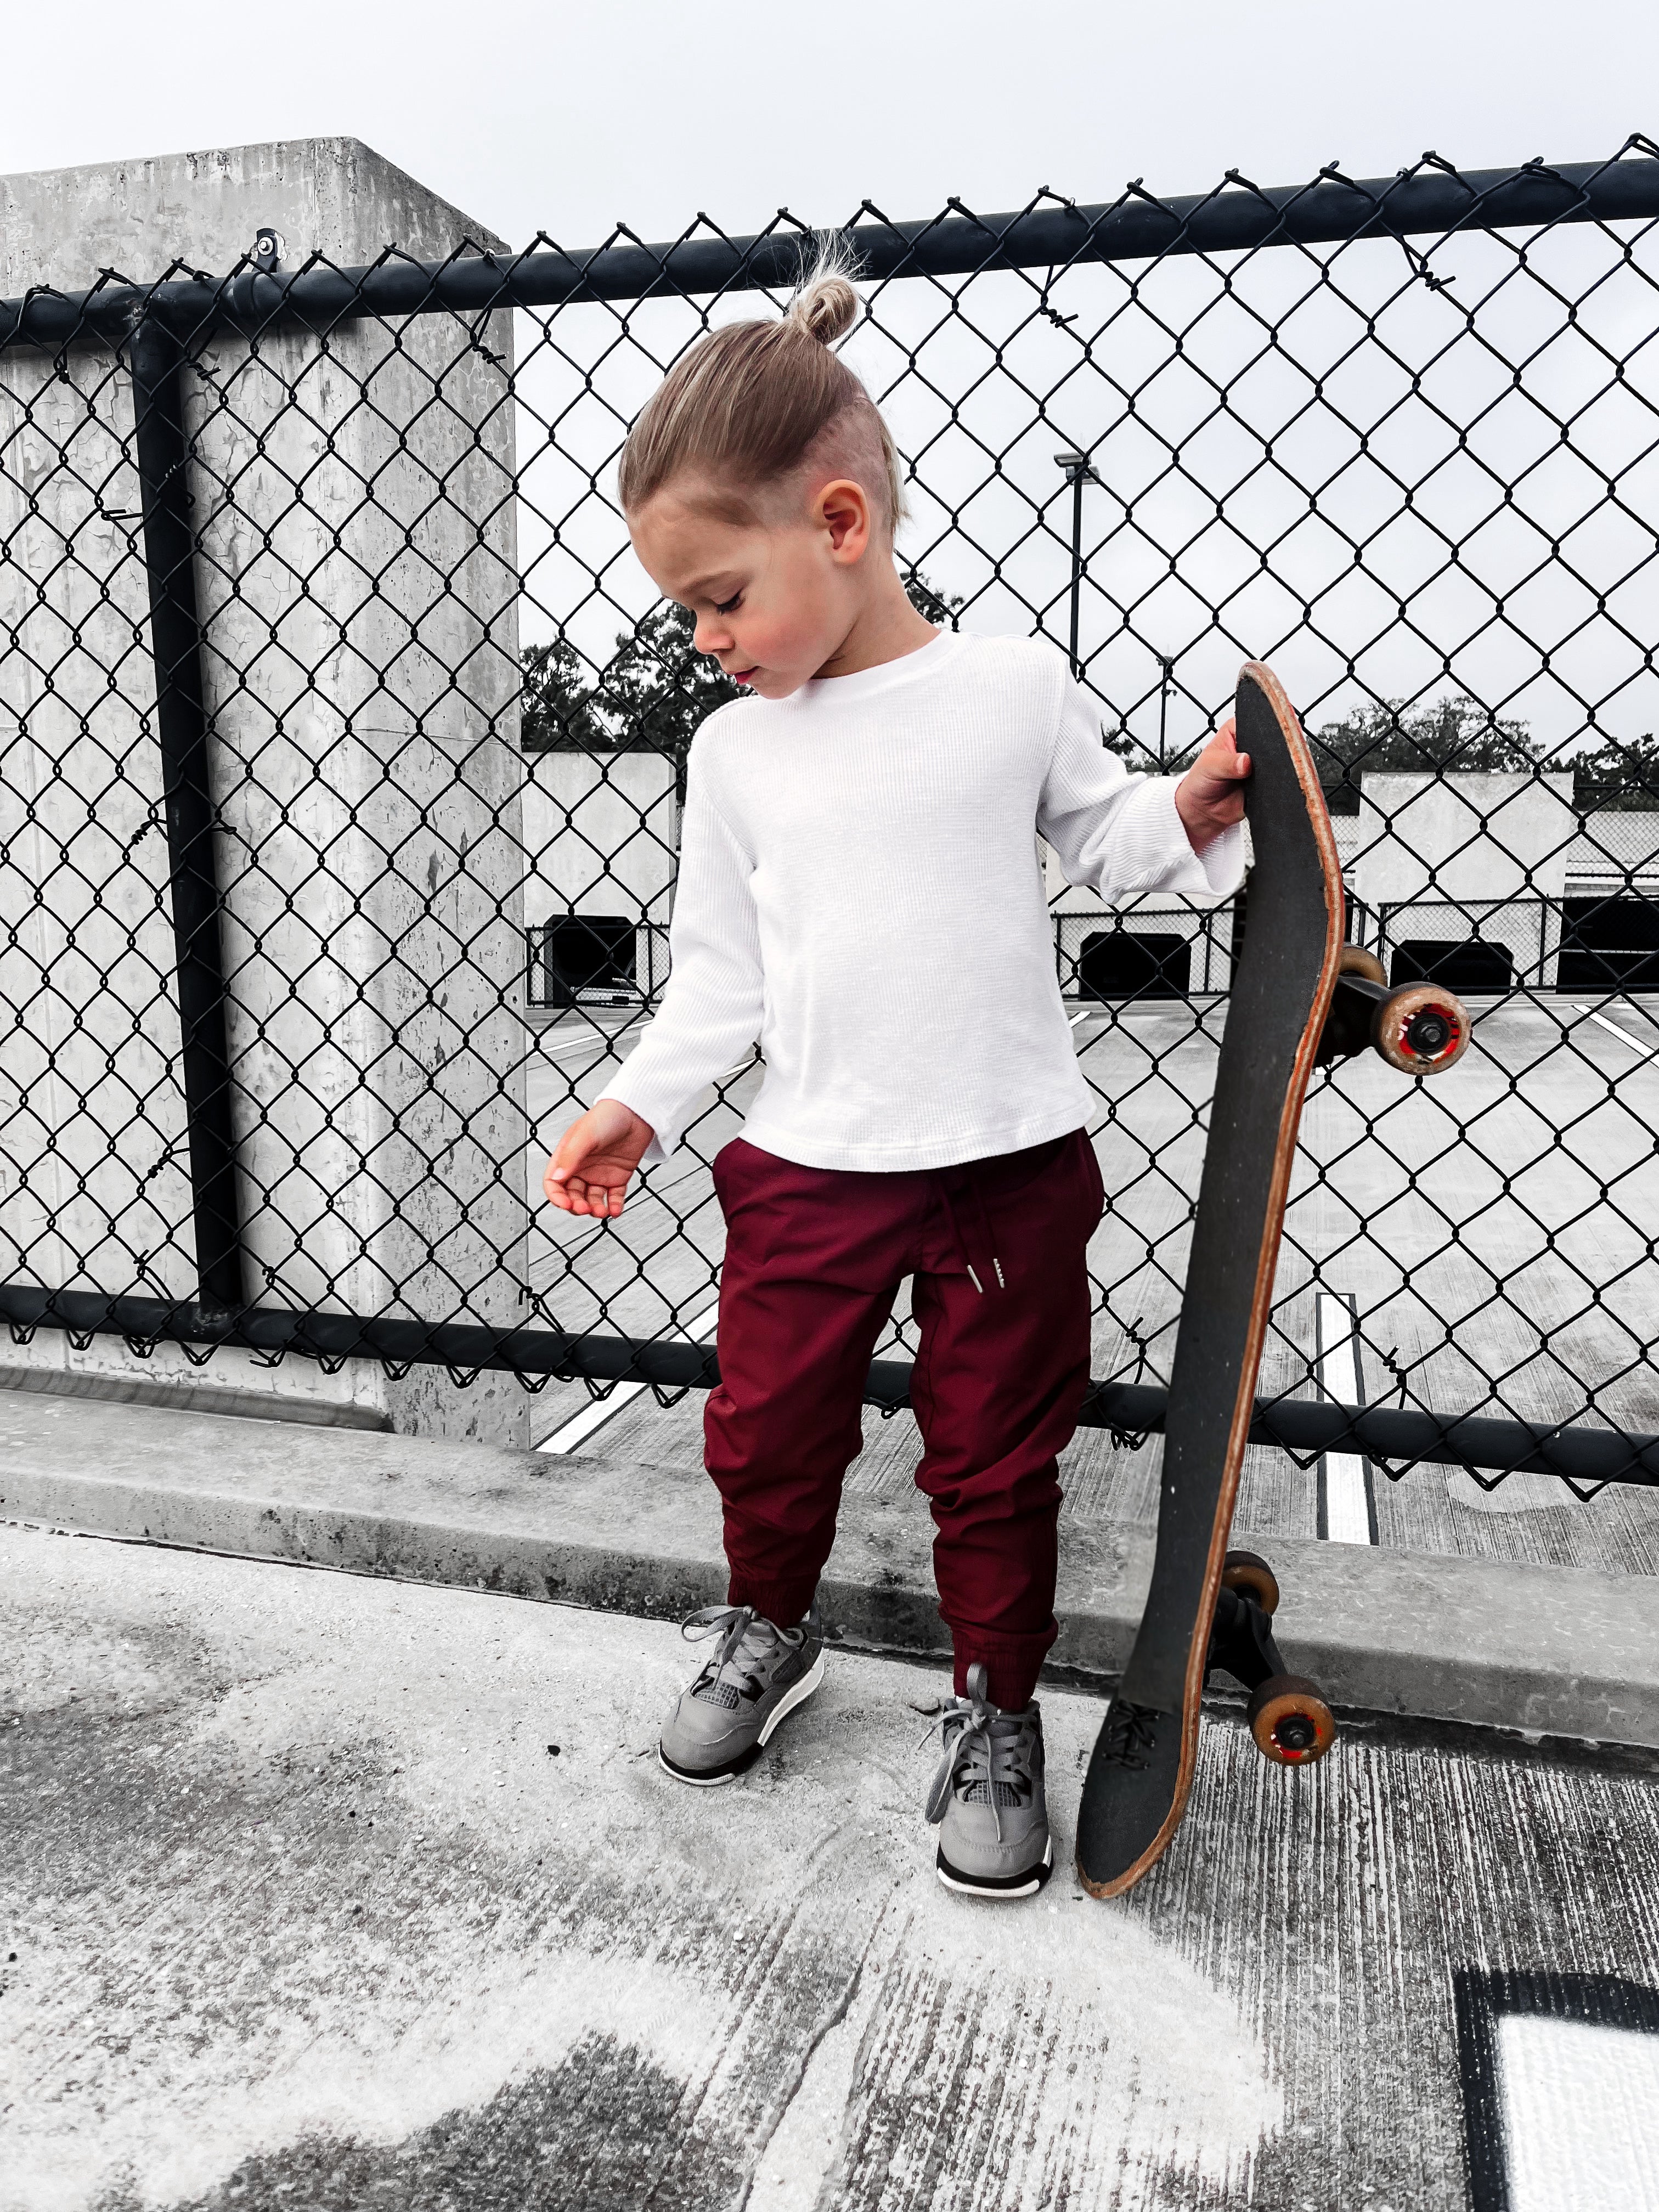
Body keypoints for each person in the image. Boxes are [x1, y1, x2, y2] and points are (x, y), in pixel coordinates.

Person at [543, 251, 1249, 1900]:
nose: (705, 639)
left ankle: (995, 1705)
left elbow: (1110, 837)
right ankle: (768, 1628)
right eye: (689, 611)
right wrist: (639, 1101)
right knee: (764, 1430)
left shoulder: (1006, 690)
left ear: (842, 525)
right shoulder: (733, 751)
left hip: (1008, 1162)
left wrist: (1194, 808)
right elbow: (719, 972)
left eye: (724, 597)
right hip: (808, 1166)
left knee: (996, 1456)